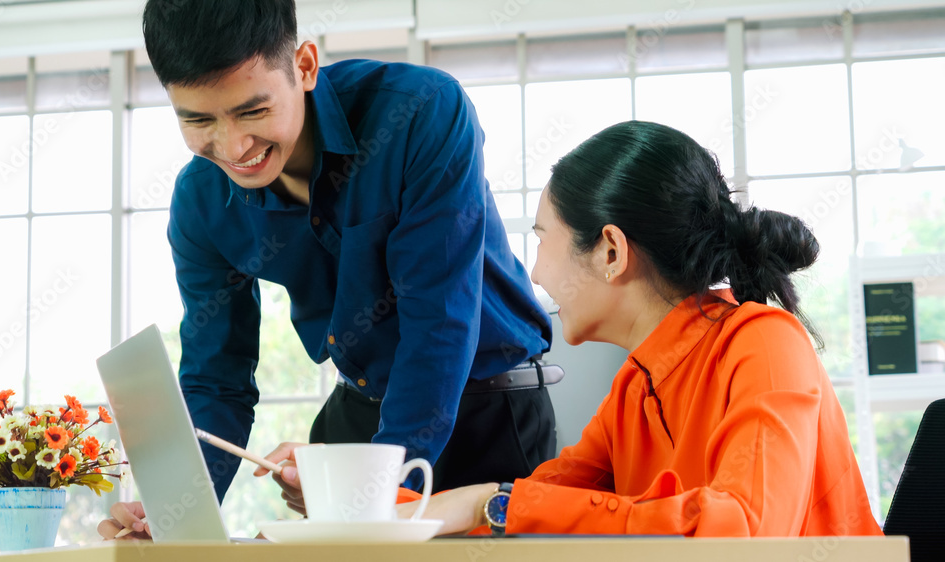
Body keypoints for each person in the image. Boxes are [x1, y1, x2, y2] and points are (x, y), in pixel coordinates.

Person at [97, 0, 557, 538]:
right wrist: (174, 513)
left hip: (490, 411)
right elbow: (216, 376)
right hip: (358, 414)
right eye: (198, 119)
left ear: (306, 66)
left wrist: (378, 489)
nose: (233, 147)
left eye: (252, 111)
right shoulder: (200, 201)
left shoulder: (422, 111)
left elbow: (438, 321)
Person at [390, 120, 884, 536]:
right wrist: (351, 494)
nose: (535, 273)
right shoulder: (635, 386)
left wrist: (494, 504)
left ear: (611, 252)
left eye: (543, 241)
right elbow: (533, 505)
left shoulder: (766, 343)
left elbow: (743, 529)